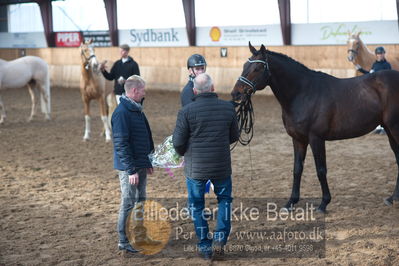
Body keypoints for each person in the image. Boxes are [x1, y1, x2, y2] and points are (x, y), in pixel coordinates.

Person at [172, 73, 239, 260]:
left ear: (194, 91)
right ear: (213, 87)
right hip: (221, 165)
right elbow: (234, 136)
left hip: (196, 168)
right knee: (225, 200)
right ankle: (220, 239)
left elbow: (178, 142)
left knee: (196, 205)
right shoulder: (228, 108)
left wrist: (186, 150)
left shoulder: (186, 111)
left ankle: (204, 244)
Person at [111, 75, 160, 254]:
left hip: (140, 164)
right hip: (129, 169)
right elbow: (121, 144)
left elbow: (146, 136)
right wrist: (131, 170)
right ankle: (123, 241)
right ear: (134, 91)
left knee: (140, 201)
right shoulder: (121, 113)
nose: (145, 92)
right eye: (143, 90)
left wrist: (147, 161)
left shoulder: (137, 109)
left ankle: (139, 235)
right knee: (128, 202)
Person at [355, 46, 392, 134]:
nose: (380, 55)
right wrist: (360, 69)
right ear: (376, 55)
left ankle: (385, 127)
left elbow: (388, 78)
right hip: (375, 90)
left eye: (381, 53)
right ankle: (379, 127)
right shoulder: (375, 64)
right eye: (378, 54)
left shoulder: (387, 65)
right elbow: (370, 74)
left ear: (384, 54)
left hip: (383, 90)